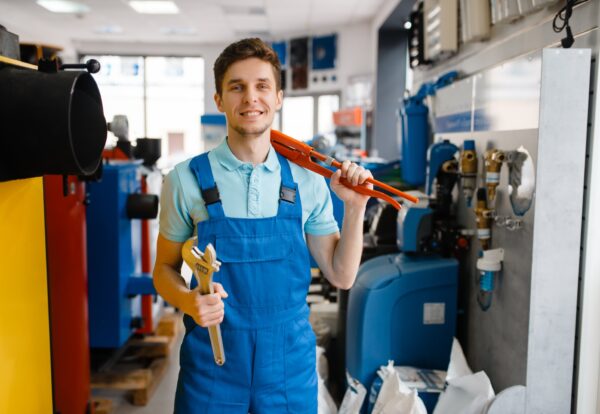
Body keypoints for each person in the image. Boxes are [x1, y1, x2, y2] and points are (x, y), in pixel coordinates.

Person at [153, 38, 372, 413]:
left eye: (261, 86)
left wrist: (354, 208)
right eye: (236, 87)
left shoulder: (307, 180)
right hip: (212, 368)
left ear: (279, 97)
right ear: (219, 100)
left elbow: (342, 275)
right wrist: (189, 301)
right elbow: (164, 270)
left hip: (288, 371)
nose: (250, 97)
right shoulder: (184, 180)